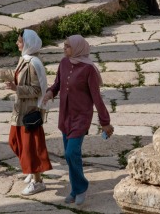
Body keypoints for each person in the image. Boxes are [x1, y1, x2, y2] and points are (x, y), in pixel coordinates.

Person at [48, 33, 112, 206]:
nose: (64, 48)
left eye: (67, 46)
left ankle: (81, 187)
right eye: (64, 45)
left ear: (77, 47)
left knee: (71, 152)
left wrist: (105, 122)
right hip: (65, 117)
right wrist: (49, 93)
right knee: (69, 157)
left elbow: (96, 97)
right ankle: (75, 189)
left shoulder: (88, 69)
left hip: (81, 117)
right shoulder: (63, 63)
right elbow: (57, 84)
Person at [7, 28, 52, 195]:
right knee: (14, 141)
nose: (17, 44)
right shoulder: (24, 59)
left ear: (28, 43)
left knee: (29, 147)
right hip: (20, 110)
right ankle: (31, 170)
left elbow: (36, 90)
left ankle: (37, 180)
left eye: (20, 41)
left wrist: (16, 89)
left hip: (29, 111)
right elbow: (15, 75)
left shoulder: (34, 63)